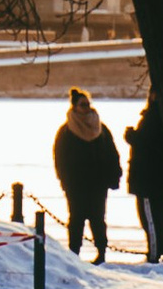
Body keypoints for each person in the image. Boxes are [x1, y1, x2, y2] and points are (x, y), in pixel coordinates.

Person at [53, 86, 123, 262]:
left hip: (98, 183)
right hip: (76, 184)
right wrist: (65, 180)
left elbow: (112, 153)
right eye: (82, 104)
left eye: (87, 104)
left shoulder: (101, 129)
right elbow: (60, 158)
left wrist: (114, 175)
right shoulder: (67, 130)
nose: (86, 108)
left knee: (98, 219)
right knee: (76, 219)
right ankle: (74, 253)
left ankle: (101, 252)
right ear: (74, 106)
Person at [124, 98, 163, 263]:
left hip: (150, 181)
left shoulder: (154, 116)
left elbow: (148, 144)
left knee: (151, 219)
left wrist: (132, 136)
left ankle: (155, 254)